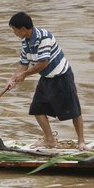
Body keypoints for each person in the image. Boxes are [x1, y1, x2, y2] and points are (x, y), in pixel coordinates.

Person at [6, 12, 87, 150]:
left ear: (23, 29)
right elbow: (23, 63)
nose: (14, 32)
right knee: (37, 109)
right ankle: (49, 140)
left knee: (74, 110)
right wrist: (13, 79)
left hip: (62, 76)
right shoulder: (25, 42)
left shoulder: (44, 37)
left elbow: (43, 63)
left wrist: (24, 75)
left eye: (14, 29)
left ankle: (81, 141)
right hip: (46, 78)